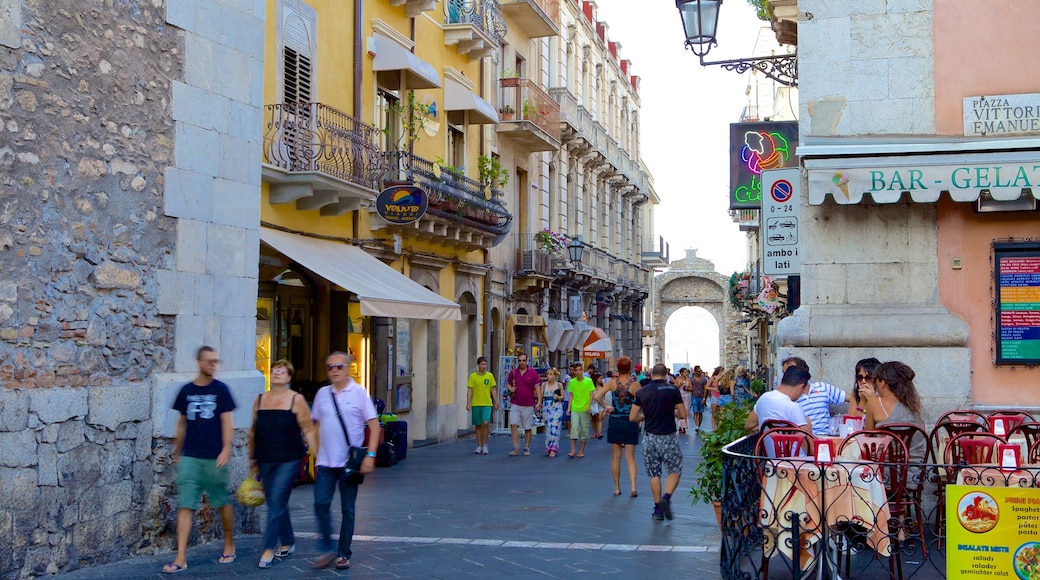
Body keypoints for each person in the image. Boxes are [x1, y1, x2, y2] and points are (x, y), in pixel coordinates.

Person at [163, 346, 237, 574]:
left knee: (221, 501)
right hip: (190, 456)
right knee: (185, 505)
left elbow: (227, 422)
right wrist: (177, 452)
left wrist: (225, 449)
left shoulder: (221, 390)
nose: (213, 365)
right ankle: (181, 557)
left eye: (216, 361)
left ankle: (229, 542)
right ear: (199, 363)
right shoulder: (186, 391)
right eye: (209, 361)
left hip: (214, 457)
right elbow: (182, 423)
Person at [310, 351, 380, 570]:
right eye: (330, 367)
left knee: (348, 509)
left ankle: (342, 553)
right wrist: (314, 453)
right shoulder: (322, 393)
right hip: (325, 462)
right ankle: (327, 548)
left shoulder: (359, 393)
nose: (334, 370)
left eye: (339, 366)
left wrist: (370, 455)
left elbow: (375, 426)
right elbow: (316, 424)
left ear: (347, 368)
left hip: (350, 463)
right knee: (320, 503)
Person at [249, 359, 317, 569]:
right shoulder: (259, 400)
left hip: (289, 458)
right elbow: (253, 431)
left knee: (277, 499)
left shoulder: (296, 400)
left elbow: (308, 429)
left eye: (282, 370)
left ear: (288, 377)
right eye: (274, 370)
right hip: (265, 458)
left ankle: (269, 548)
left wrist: (320, 458)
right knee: (276, 503)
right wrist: (251, 459)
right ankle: (288, 541)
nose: (277, 373)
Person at [630, 363, 687, 521]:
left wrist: (646, 415)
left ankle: (657, 510)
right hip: (668, 436)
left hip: (650, 436)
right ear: (666, 375)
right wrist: (672, 412)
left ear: (652, 375)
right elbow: (682, 414)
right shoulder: (673, 390)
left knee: (654, 473)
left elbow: (632, 417)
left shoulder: (642, 392)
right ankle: (666, 497)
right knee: (675, 469)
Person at [861, 361, 927, 462]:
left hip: (884, 473)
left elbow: (867, 442)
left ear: (882, 383)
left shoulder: (875, 402)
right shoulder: (914, 407)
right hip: (916, 474)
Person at [594, 356, 641, 497]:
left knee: (615, 457)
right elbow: (642, 402)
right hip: (630, 420)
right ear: (630, 368)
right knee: (630, 457)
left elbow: (597, 396)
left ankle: (617, 487)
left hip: (615, 420)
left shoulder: (612, 383)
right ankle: (633, 486)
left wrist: (606, 406)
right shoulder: (635, 385)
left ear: (617, 368)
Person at [783, 357, 847, 436]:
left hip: (826, 438)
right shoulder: (787, 397)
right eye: (784, 374)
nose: (786, 378)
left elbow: (852, 397)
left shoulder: (822, 387)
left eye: (789, 373)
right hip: (803, 440)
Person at [744, 366, 811, 434]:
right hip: (788, 444)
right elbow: (807, 442)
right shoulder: (793, 407)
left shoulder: (763, 398)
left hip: (765, 444)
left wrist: (769, 429)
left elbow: (748, 426)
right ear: (801, 387)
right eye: (802, 392)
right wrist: (808, 427)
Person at [506, 353, 542, 456]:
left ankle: (526, 447)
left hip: (528, 404)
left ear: (527, 361)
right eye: (520, 360)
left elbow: (538, 387)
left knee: (527, 427)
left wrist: (539, 401)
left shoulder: (533, 373)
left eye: (523, 360)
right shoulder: (513, 372)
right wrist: (510, 388)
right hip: (515, 403)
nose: (521, 362)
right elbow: (508, 383)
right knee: (513, 424)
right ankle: (516, 446)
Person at [466, 356, 498, 455]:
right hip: (476, 403)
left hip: (487, 403)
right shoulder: (473, 376)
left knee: (485, 423)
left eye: (485, 364)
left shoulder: (489, 376)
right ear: (478, 365)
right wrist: (468, 403)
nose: (484, 366)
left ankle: (485, 444)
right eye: (482, 364)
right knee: (478, 425)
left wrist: (496, 401)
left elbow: (493, 389)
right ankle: (479, 445)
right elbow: (470, 390)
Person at [566, 362, 596, 458]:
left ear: (582, 370)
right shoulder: (572, 382)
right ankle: (573, 449)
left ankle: (582, 450)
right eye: (576, 370)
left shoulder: (588, 381)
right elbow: (571, 395)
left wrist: (588, 406)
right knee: (574, 428)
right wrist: (568, 408)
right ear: (574, 372)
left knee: (584, 430)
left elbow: (592, 394)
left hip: (585, 408)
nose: (578, 372)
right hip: (575, 407)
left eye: (580, 370)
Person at [541, 368, 566, 457]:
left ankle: (553, 449)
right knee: (548, 428)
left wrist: (558, 397)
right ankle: (548, 447)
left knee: (555, 427)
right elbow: (541, 397)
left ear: (555, 376)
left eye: (551, 374)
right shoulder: (544, 385)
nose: (548, 376)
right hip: (546, 407)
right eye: (547, 374)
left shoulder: (559, 385)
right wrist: (539, 406)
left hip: (556, 407)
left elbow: (563, 396)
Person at [689, 366, 708, 433]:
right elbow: (691, 388)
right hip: (694, 396)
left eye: (700, 371)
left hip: (701, 396)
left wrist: (704, 398)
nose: (700, 372)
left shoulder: (704, 379)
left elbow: (705, 389)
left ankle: (699, 425)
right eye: (698, 371)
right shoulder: (691, 379)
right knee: (695, 411)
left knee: (700, 412)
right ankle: (696, 425)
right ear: (695, 372)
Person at [674, 367, 692, 434]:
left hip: (686, 396)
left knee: (686, 410)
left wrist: (687, 389)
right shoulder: (678, 379)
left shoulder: (688, 379)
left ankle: (684, 426)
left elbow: (691, 388)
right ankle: (680, 426)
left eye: (687, 372)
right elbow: (675, 387)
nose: (686, 373)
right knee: (680, 410)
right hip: (680, 395)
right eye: (685, 372)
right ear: (681, 373)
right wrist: (680, 385)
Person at [590, 369, 605, 439]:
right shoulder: (591, 387)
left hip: (600, 404)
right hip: (593, 404)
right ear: (596, 379)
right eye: (600, 378)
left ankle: (599, 432)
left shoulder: (602, 387)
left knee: (600, 418)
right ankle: (595, 432)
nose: (601, 380)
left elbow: (604, 395)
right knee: (594, 419)